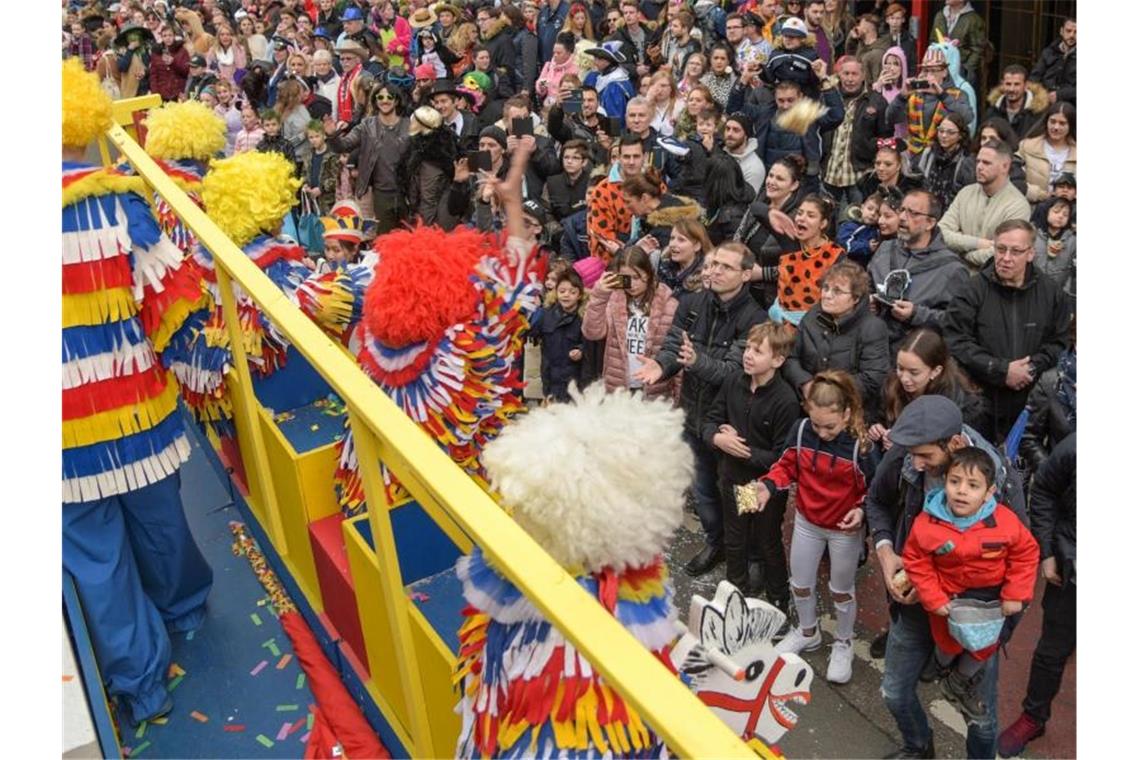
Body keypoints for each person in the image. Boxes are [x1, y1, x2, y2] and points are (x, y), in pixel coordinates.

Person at [61, 59, 213, 727]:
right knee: (159, 520)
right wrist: (200, 369)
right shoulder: (120, 204)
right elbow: (169, 305)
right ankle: (186, 612)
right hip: (135, 408)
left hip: (55, 439)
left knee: (95, 559)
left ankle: (143, 687)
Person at [866, 394, 1028, 760]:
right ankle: (919, 747)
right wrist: (887, 553)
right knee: (893, 691)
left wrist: (1003, 628)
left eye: (926, 457)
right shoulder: (909, 453)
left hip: (975, 616)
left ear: (955, 444)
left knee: (981, 720)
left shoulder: (1000, 481)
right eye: (913, 455)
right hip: (914, 609)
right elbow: (875, 501)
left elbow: (1024, 557)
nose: (916, 464)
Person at [635, 242, 766, 577]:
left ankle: (754, 555)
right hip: (694, 414)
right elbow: (672, 346)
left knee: (744, 495)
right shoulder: (692, 304)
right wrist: (662, 367)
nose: (715, 271)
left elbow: (734, 372)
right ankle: (716, 542)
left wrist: (696, 362)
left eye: (726, 267)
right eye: (714, 264)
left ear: (746, 274)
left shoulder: (756, 317)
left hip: (734, 426)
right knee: (704, 490)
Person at [756, 370, 877, 685]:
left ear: (847, 414)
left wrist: (861, 512)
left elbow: (875, 491)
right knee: (800, 582)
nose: (822, 433)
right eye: (816, 424)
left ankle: (843, 640)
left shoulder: (860, 446)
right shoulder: (800, 431)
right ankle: (808, 631)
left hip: (843, 530)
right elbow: (786, 466)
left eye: (830, 426)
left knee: (841, 590)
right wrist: (769, 485)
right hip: (808, 521)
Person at [901, 447, 1038, 720]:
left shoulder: (1005, 522)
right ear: (945, 482)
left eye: (973, 485)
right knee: (946, 640)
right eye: (955, 481)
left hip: (990, 601)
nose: (961, 491)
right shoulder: (927, 522)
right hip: (948, 598)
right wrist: (933, 597)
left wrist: (1015, 593)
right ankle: (941, 664)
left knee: (983, 646)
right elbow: (916, 560)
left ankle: (958, 680)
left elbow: (1026, 553)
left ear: (989, 492)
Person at [944, 219, 1072, 444]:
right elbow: (956, 340)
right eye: (1000, 249)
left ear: (1031, 253)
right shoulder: (972, 290)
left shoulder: (1051, 293)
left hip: (1031, 405)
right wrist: (1001, 370)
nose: (1005, 258)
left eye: (1015, 251)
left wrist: (1031, 368)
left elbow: (1060, 342)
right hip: (979, 402)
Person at [701, 322, 800, 603]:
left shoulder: (785, 400)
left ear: (778, 360)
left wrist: (742, 449)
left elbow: (783, 457)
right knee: (736, 537)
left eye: (758, 351)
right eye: (747, 347)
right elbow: (711, 420)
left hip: (764, 486)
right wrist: (717, 439)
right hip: (735, 479)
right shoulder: (734, 381)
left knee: (767, 541)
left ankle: (779, 598)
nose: (748, 355)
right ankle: (735, 592)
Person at [997, 432, 1076, 758]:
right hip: (1072, 575)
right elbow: (1044, 490)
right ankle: (1033, 716)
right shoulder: (1076, 447)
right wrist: (1048, 552)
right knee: (1051, 652)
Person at [867, 188, 968, 355]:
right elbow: (867, 286)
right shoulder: (885, 249)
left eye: (913, 213)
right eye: (902, 210)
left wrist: (916, 314)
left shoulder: (951, 269)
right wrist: (868, 301)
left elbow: (958, 323)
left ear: (930, 223)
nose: (902, 218)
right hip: (873, 345)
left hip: (916, 355)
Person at [783, 262, 890, 414]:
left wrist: (827, 393)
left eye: (837, 291)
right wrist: (805, 383)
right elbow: (790, 358)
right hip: (809, 405)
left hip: (850, 411)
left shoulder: (873, 328)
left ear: (856, 298)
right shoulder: (812, 317)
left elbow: (873, 377)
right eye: (825, 288)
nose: (827, 295)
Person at [582, 247, 679, 399]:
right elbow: (592, 333)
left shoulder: (667, 302)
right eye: (626, 278)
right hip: (619, 388)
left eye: (637, 277)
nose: (632, 284)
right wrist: (600, 295)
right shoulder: (614, 298)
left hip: (655, 388)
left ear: (648, 273)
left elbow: (675, 350)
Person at [871, 327, 986, 453]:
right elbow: (878, 416)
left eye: (914, 372)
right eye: (900, 368)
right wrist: (877, 428)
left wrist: (903, 447)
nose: (904, 378)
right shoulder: (891, 385)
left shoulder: (964, 405)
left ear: (936, 371)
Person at [939, 140, 1031, 269]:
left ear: (1005, 166)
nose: (979, 167)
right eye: (978, 161)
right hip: (955, 275)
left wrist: (961, 252)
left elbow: (1003, 254)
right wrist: (977, 243)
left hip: (991, 281)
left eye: (986, 163)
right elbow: (941, 233)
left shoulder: (1017, 205)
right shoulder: (966, 193)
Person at [736, 154, 809, 309]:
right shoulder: (759, 204)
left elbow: (802, 266)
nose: (771, 182)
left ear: (794, 185)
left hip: (773, 297)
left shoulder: (797, 219)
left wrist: (763, 273)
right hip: (743, 286)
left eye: (780, 179)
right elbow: (739, 236)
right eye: (770, 176)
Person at [822, 55, 893, 212]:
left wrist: (870, 149)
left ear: (863, 76)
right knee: (826, 221)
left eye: (854, 74)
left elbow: (886, 138)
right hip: (829, 173)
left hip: (859, 175)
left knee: (856, 218)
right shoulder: (828, 98)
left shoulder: (876, 101)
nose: (850, 78)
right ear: (839, 75)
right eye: (846, 73)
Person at [768, 193, 846, 326]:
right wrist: (771, 213)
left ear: (823, 224)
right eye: (800, 213)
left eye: (810, 216)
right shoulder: (789, 240)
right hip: (778, 323)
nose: (801, 219)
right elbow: (755, 209)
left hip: (812, 327)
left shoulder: (835, 255)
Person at [887, 45, 973, 157]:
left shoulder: (957, 94)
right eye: (926, 70)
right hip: (914, 155)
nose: (929, 75)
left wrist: (942, 95)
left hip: (943, 155)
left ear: (944, 72)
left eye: (933, 70)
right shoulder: (914, 94)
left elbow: (967, 118)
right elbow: (890, 118)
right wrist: (901, 97)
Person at [586, 134, 645, 261]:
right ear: (618, 158)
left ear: (644, 157)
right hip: (613, 264)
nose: (631, 162)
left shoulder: (655, 184)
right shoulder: (603, 191)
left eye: (636, 156)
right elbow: (603, 239)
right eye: (626, 157)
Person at [531, 267, 586, 403]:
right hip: (550, 377)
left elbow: (589, 343)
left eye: (572, 292)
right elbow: (531, 332)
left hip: (574, 380)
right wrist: (534, 311)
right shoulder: (546, 314)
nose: (566, 295)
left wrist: (581, 350)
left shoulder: (583, 318)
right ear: (556, 293)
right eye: (562, 291)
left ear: (579, 295)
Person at [911, 111, 974, 210]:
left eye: (951, 132)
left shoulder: (966, 160)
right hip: (927, 210)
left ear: (961, 135)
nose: (944, 136)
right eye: (941, 131)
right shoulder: (928, 154)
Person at [1018, 101, 1077, 205]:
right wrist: (1039, 194)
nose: (1056, 127)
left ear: (1071, 126)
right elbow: (1015, 179)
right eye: (1052, 121)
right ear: (1046, 122)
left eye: (1062, 123)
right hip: (1032, 208)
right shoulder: (1027, 147)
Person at [930, 0, 986, 89]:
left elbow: (978, 49)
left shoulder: (973, 20)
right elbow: (932, 40)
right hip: (939, 71)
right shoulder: (940, 16)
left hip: (960, 73)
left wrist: (966, 70)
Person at [983, 64, 1047, 141]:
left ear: (1025, 85)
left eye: (1017, 84)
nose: (1011, 89)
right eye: (1008, 84)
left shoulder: (1038, 114)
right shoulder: (992, 111)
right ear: (1002, 84)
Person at [1030, 197, 1075, 307]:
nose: (1060, 216)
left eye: (1065, 215)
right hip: (1031, 293)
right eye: (1056, 211)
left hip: (1058, 295)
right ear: (1046, 211)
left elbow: (1072, 274)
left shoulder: (1073, 240)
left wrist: (1066, 297)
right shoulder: (1032, 235)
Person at [584, 41, 636, 128]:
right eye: (595, 58)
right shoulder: (596, 76)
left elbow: (614, 120)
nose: (595, 61)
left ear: (609, 62)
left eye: (600, 59)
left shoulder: (615, 87)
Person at [655, 218, 711, 298]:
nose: (673, 244)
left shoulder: (706, 278)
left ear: (697, 246)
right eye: (672, 238)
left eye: (681, 240)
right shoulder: (663, 269)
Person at [1028, 17, 1075, 106]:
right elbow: (1034, 77)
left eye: (1076, 32)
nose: (1072, 35)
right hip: (1043, 100)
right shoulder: (1049, 51)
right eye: (1068, 31)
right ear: (1061, 31)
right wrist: (1041, 94)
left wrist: (1059, 95)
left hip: (1070, 105)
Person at [722, 114, 765, 196]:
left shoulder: (754, 167)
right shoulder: (720, 152)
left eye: (736, 130)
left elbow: (746, 199)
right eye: (727, 129)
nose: (730, 134)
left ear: (746, 136)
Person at [836, 193, 881, 267]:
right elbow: (844, 245)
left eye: (877, 212)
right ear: (862, 208)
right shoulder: (850, 225)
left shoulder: (876, 229)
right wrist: (866, 246)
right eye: (869, 209)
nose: (872, 213)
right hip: (847, 265)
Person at [846, 13, 891, 84]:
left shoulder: (878, 53)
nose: (857, 27)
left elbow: (876, 79)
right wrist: (852, 38)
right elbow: (850, 55)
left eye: (860, 25)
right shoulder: (862, 44)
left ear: (866, 30)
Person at [149, 26, 190, 102]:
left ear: (174, 36)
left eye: (170, 35)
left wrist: (173, 63)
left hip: (178, 92)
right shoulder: (156, 53)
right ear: (161, 37)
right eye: (165, 36)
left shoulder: (182, 51)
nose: (167, 38)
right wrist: (155, 93)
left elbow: (186, 71)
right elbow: (153, 75)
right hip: (162, 93)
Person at [882, 3, 917, 78]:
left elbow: (912, 64)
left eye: (898, 18)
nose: (895, 22)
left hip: (904, 80)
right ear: (887, 20)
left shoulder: (910, 40)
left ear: (903, 20)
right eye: (892, 18)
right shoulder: (881, 38)